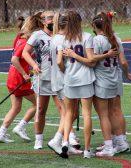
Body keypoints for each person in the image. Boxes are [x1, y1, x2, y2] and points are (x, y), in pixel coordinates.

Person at [0, 14, 42, 143]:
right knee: (38, 103)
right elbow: (14, 59)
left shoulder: (18, 37)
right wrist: (25, 74)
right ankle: (21, 126)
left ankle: (1, 133)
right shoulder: (25, 42)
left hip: (12, 77)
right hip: (19, 78)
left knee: (16, 107)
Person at [91, 12, 131, 156]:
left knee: (104, 114)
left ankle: (109, 145)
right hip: (116, 77)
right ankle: (121, 142)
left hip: (103, 79)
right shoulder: (116, 38)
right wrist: (127, 73)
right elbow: (123, 62)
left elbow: (92, 60)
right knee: (116, 111)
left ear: (94, 26)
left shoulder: (96, 40)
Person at [22, 11, 64, 150]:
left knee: (63, 110)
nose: (53, 21)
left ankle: (66, 138)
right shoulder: (37, 35)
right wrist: (34, 65)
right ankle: (38, 139)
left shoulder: (61, 34)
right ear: (43, 21)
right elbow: (25, 52)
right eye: (50, 18)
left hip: (59, 78)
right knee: (40, 109)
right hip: (43, 78)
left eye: (54, 17)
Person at [57, 11, 96, 159]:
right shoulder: (87, 37)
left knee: (68, 113)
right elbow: (91, 61)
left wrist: (65, 71)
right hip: (85, 79)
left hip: (70, 80)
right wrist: (76, 56)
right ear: (79, 22)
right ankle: (86, 150)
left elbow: (60, 61)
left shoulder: (64, 39)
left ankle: (65, 143)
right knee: (86, 114)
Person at [47, 11, 83, 156]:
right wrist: (66, 72)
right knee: (71, 113)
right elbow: (59, 61)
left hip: (56, 79)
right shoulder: (63, 39)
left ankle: (64, 143)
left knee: (71, 113)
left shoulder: (55, 38)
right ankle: (57, 140)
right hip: (64, 80)